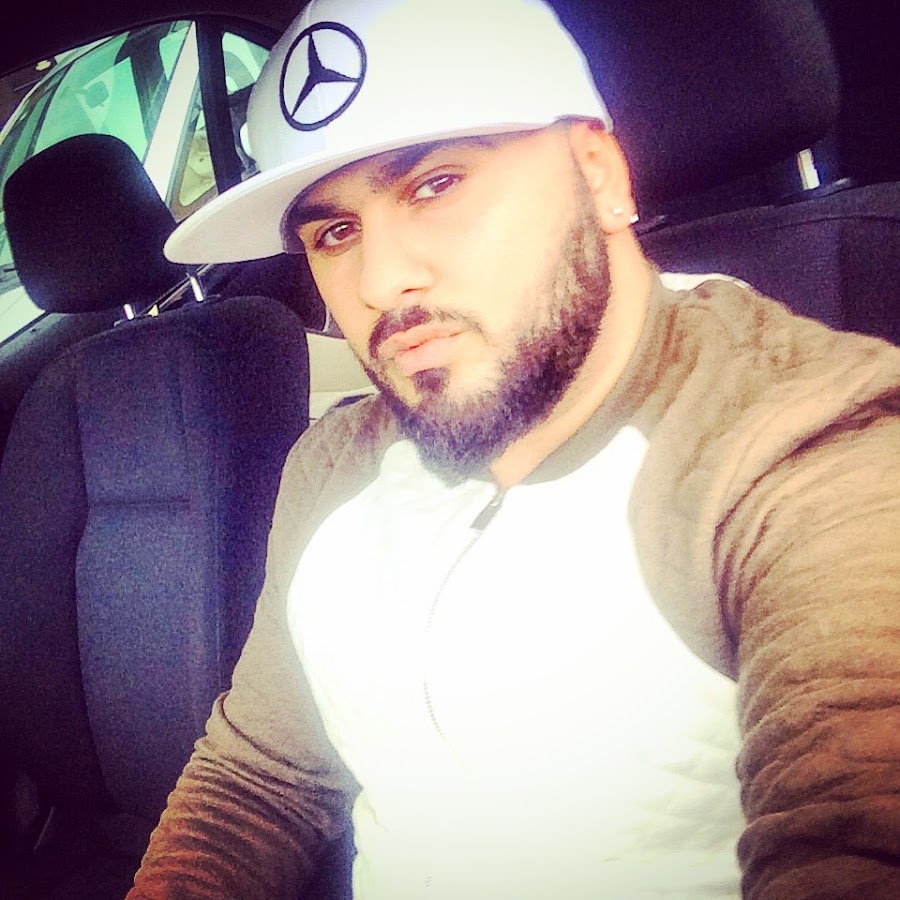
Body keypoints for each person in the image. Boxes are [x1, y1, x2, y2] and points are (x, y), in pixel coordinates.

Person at [129, 0, 900, 897]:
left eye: (436, 185)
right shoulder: (332, 465)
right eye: (335, 233)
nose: (380, 281)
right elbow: (259, 784)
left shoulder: (805, 446)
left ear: (599, 172)